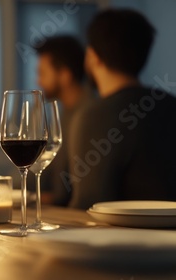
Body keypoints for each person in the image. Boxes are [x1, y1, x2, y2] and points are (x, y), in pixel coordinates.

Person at [68, 9, 176, 209]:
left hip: (127, 238)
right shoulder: (171, 104)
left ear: (93, 56)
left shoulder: (94, 116)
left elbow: (88, 205)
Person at [34, 35, 95, 206]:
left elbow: (75, 194)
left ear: (65, 75)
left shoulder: (90, 117)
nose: (38, 81)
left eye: (42, 73)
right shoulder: (63, 114)